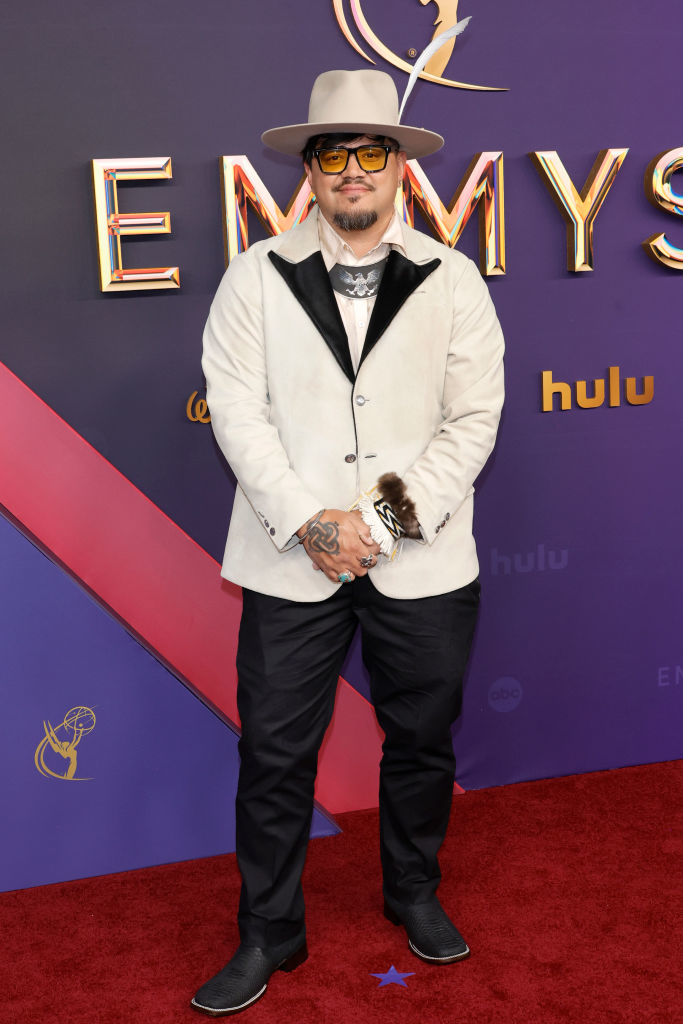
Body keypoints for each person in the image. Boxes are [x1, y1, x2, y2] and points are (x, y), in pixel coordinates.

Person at [193, 68, 504, 1016]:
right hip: (291, 557)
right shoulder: (253, 275)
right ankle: (267, 932)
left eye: (372, 152)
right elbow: (237, 413)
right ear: (312, 171)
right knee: (274, 754)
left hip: (422, 559)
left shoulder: (454, 280)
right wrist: (311, 522)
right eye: (334, 154)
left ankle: (412, 891)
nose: (353, 170)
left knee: (421, 740)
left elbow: (471, 421)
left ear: (400, 167)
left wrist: (376, 524)